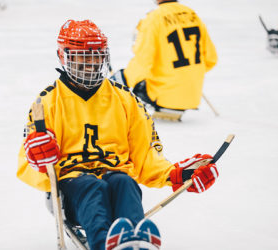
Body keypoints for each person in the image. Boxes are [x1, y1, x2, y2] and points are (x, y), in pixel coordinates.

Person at [17, 19, 220, 250]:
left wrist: (176, 174)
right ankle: (104, 245)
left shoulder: (125, 99)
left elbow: (146, 154)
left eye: (96, 56)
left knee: (123, 181)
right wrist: (38, 160)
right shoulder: (46, 103)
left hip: (115, 176)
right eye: (82, 57)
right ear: (63, 57)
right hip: (74, 189)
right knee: (95, 187)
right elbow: (27, 163)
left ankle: (132, 242)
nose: (90, 64)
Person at [111, 0, 217, 120]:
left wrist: (123, 80)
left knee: (127, 80)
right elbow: (210, 59)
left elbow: (143, 60)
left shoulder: (153, 18)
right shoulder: (192, 14)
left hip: (163, 96)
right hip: (193, 95)